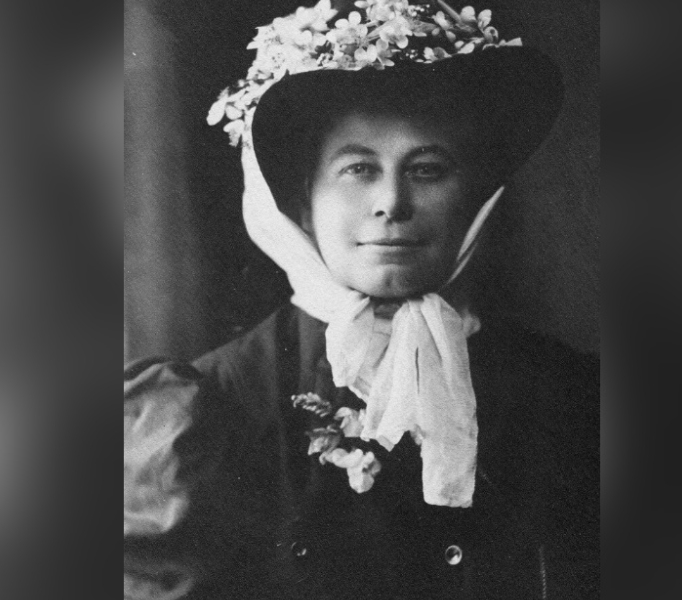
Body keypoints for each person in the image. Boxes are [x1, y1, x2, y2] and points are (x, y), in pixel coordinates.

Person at [124, 2, 598, 598]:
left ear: (474, 200)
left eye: (427, 169)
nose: (392, 203)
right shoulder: (203, 411)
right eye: (358, 169)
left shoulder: (570, 395)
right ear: (300, 204)